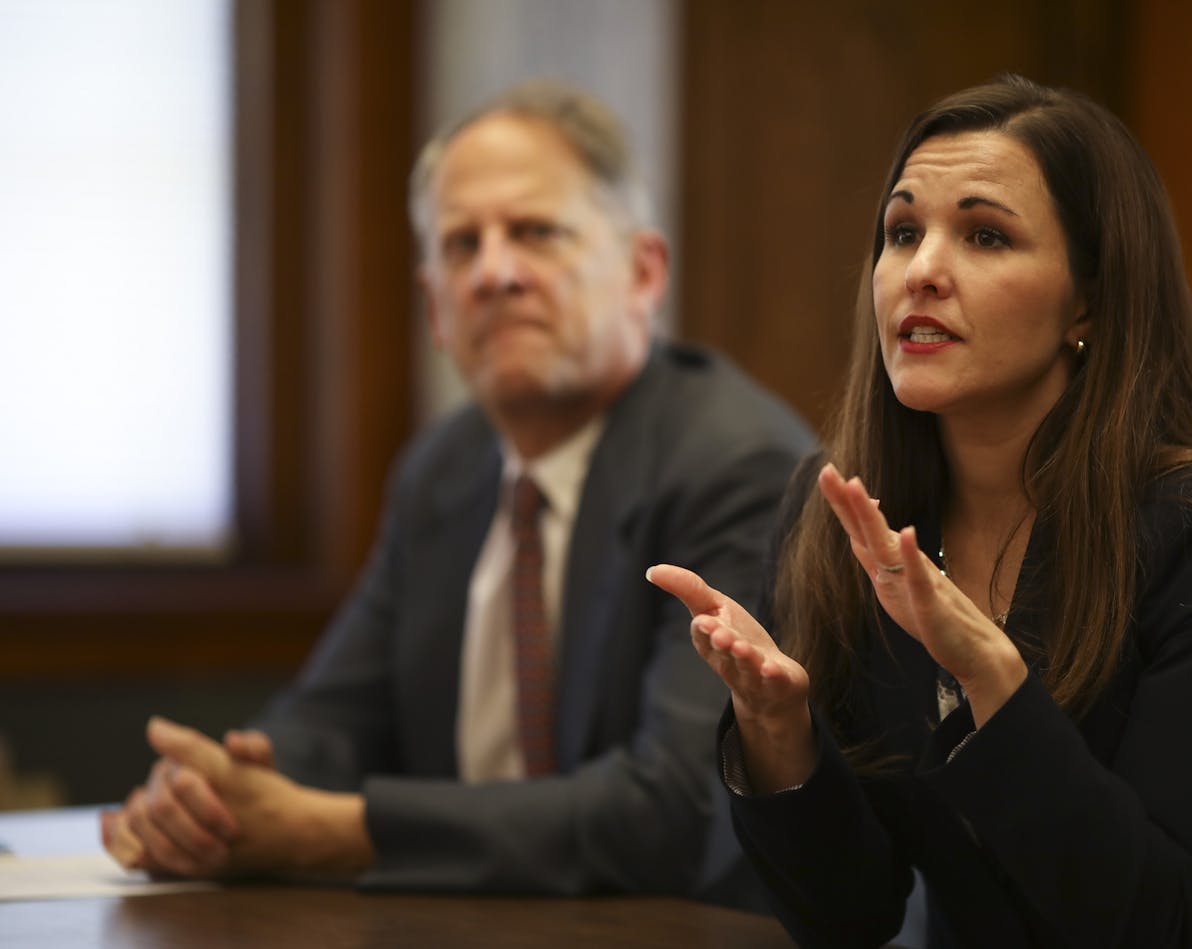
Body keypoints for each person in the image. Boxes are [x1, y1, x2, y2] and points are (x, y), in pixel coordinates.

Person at [649, 74, 1192, 946]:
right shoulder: (841, 510)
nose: (923, 271)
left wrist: (992, 678)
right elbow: (851, 913)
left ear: (1088, 300)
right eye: (902, 232)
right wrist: (778, 733)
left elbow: (1164, 919)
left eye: (985, 236)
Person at [101, 80, 813, 900]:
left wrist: (329, 833)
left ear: (644, 272)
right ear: (435, 307)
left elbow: (673, 809)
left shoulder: (737, 465)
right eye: (461, 244)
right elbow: (332, 715)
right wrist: (212, 797)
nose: (495, 272)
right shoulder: (442, 469)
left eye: (536, 232)